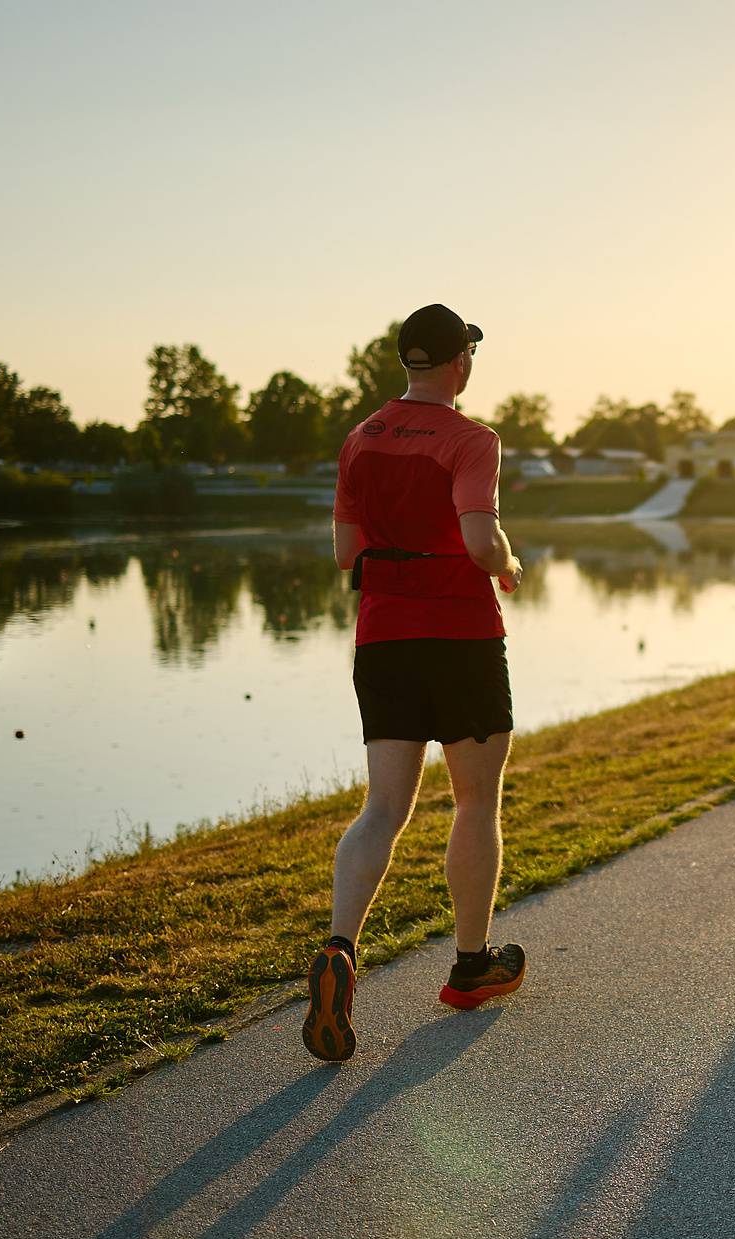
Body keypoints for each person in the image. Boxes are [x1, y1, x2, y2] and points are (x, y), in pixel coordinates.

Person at [307, 303, 528, 1063]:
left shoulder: (360, 437)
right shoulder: (472, 439)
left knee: (384, 809)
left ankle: (338, 950)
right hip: (462, 638)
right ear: (460, 360)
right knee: (475, 800)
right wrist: (506, 561)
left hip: (385, 640)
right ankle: (471, 967)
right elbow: (478, 538)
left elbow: (344, 553)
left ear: (409, 361)